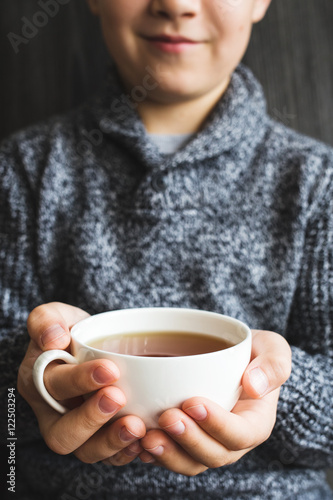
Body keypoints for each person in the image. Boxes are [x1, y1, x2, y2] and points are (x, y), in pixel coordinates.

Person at [0, 0, 332, 498]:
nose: (176, 4)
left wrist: (272, 388)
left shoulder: (317, 185)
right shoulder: (23, 173)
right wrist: (26, 384)